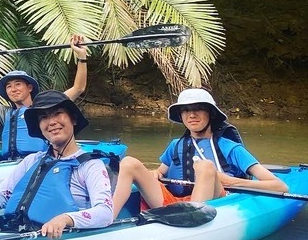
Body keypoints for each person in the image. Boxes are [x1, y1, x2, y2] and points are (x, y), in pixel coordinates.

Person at [0, 90, 113, 238]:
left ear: (73, 119)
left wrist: (65, 219)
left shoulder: (90, 166)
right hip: (15, 233)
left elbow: (105, 212)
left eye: (58, 113)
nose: (51, 122)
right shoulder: (32, 160)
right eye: (44, 117)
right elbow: (2, 195)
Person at [111, 88, 288, 217]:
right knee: (129, 163)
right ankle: (108, 217)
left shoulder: (230, 148)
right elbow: (160, 172)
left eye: (198, 109)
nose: (191, 115)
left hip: (213, 204)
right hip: (173, 203)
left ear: (210, 114)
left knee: (205, 166)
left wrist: (231, 181)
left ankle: (192, 217)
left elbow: (279, 186)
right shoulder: (176, 145)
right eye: (186, 110)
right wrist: (155, 173)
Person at [0, 35, 89, 158]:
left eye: (18, 84)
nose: (13, 89)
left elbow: (78, 88)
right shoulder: (4, 113)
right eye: (9, 86)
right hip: (10, 162)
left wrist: (81, 56)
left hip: (37, 161)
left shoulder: (44, 109)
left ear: (29, 88)